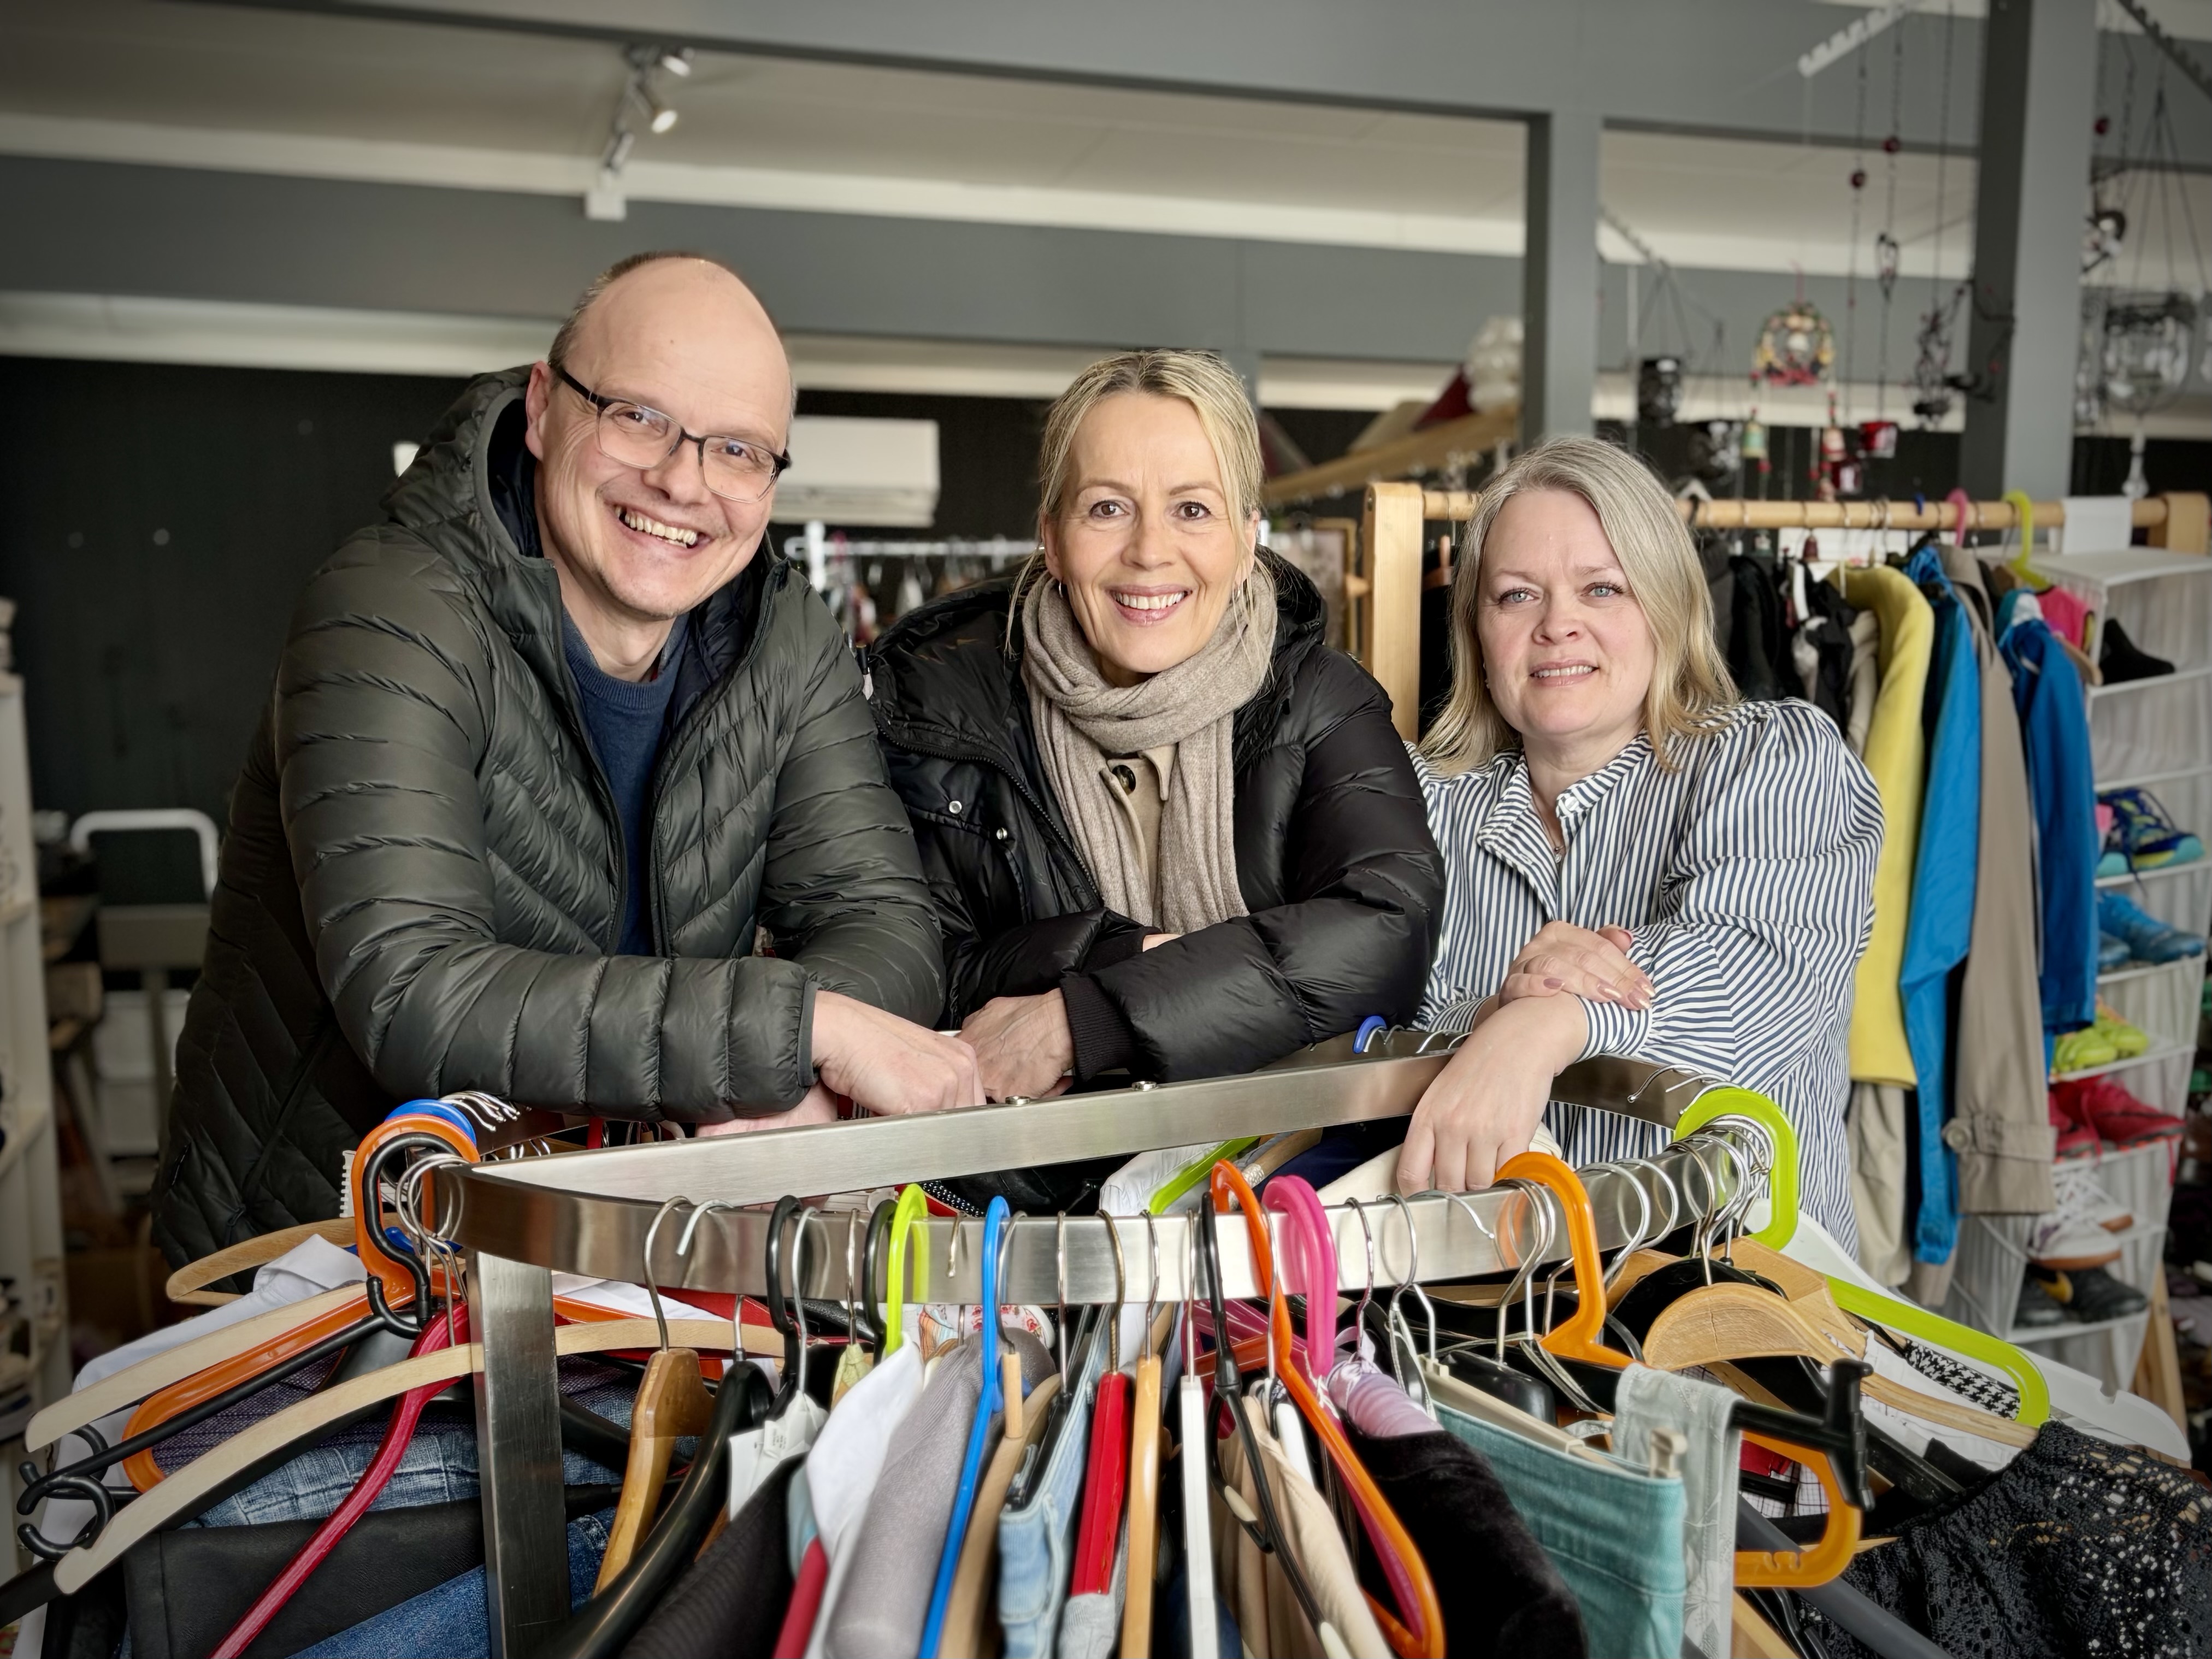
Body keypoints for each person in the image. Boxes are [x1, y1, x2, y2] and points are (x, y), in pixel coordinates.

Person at [152, 251, 977, 1266]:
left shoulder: (785, 637)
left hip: (607, 1237)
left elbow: (883, 919)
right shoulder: (390, 612)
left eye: (738, 450)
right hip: (331, 1249)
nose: (683, 481)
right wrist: (802, 1029)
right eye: (638, 417)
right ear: (544, 409)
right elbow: (417, 993)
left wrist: (800, 1084)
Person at [865, 349, 1443, 1206]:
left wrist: (1088, 1014)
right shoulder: (938, 713)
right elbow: (910, 970)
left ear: (1247, 538)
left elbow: (1384, 932)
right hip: (1006, 1213)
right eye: (1107, 508)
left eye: (1191, 509)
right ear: (1051, 537)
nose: (1148, 552)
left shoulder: (1320, 700)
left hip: (1272, 1215)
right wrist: (1133, 950)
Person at [1400, 436, 1880, 1245]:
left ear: (1666, 605)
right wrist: (1494, 1013)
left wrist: (1550, 1024)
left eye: (1601, 588)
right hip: (1481, 1317)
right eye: (1516, 596)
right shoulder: (1422, 804)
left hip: (1738, 1313)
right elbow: (1366, 1027)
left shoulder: (1775, 757)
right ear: (1477, 632)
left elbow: (1759, 972)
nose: (1558, 625)